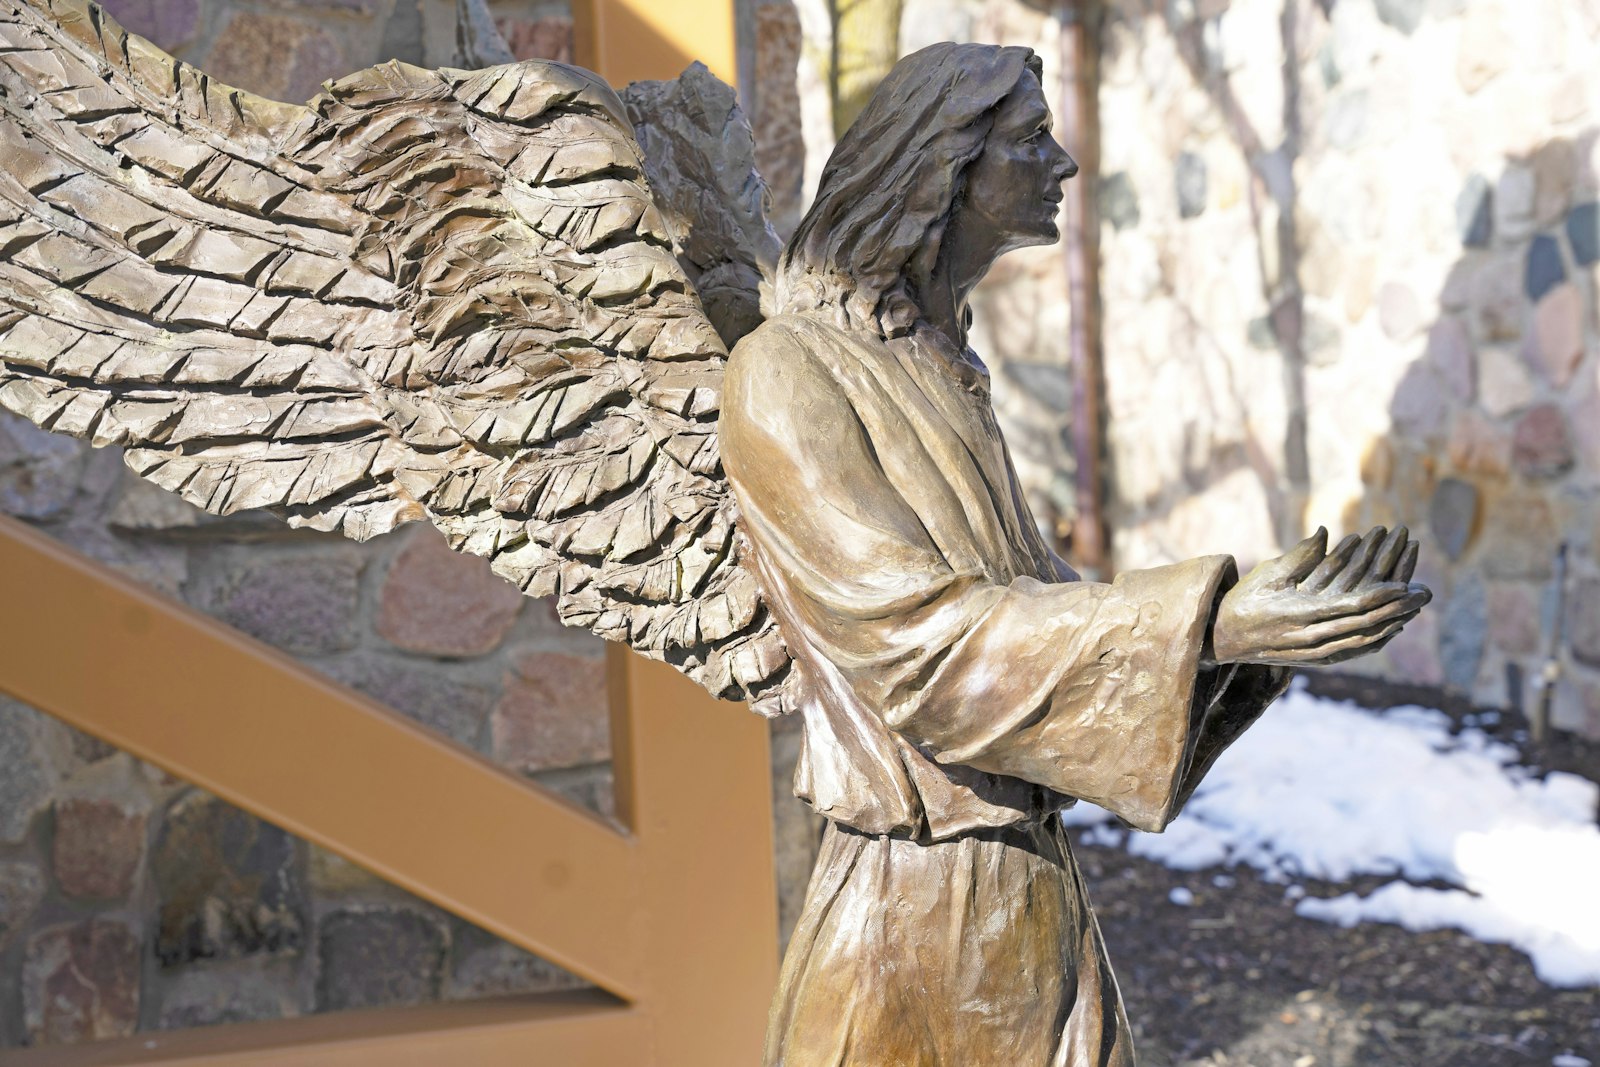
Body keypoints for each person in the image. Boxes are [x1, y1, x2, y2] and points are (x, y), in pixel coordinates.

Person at [720, 42, 1430, 1067]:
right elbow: (923, 650)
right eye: (1029, 140)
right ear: (941, 170)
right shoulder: (786, 373)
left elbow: (1035, 606)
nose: (1064, 164)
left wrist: (1241, 632)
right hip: (914, 918)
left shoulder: (935, 361)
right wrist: (1208, 618)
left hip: (1026, 888)